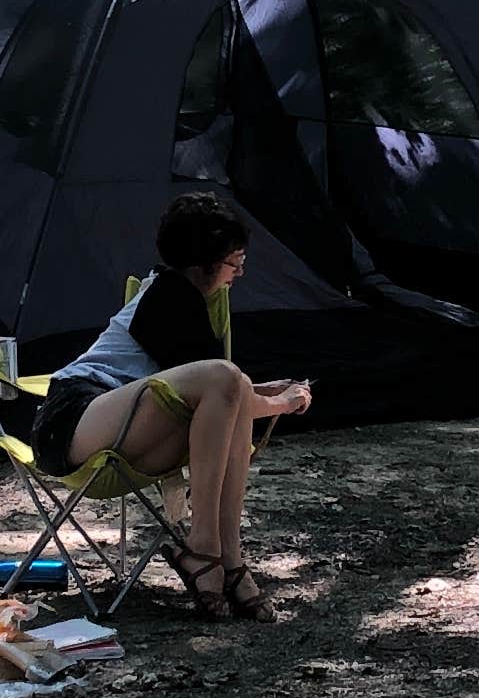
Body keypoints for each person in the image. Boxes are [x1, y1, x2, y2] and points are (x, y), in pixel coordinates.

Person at [35, 193, 312, 618]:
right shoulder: (169, 296)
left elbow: (225, 398)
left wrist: (267, 390)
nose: (239, 272)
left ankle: (228, 557)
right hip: (73, 420)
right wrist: (284, 403)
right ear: (202, 264)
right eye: (235, 261)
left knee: (232, 383)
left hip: (127, 426)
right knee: (228, 379)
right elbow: (223, 387)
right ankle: (204, 546)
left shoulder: (190, 300)